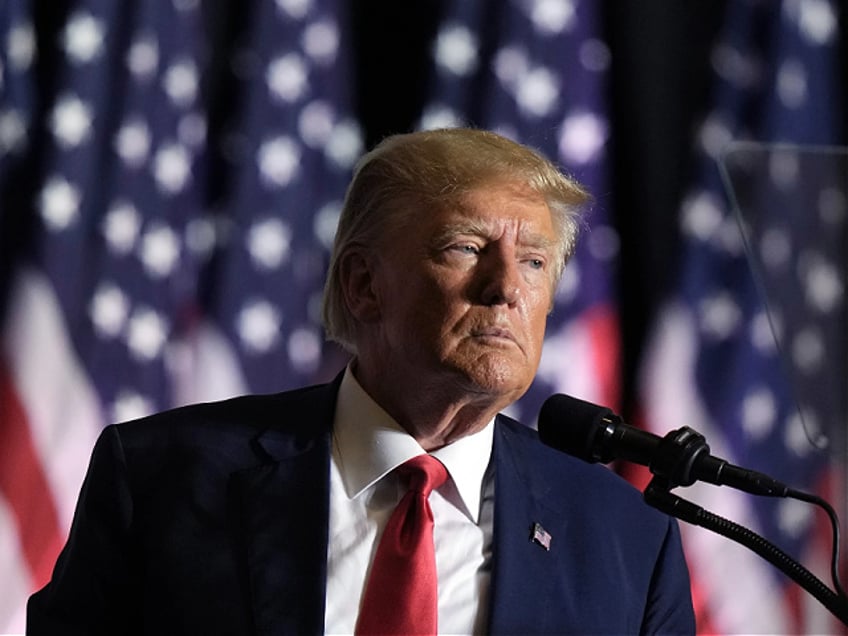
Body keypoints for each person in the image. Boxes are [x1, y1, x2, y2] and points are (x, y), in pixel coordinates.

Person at [27, 128, 695, 635]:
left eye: (534, 262)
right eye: (465, 248)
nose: (505, 289)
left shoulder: (624, 536)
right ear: (364, 284)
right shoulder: (162, 477)